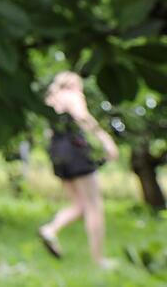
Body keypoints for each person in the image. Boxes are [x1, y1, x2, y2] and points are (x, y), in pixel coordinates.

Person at [38, 71, 119, 266]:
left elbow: (49, 133)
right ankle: (99, 260)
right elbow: (82, 117)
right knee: (94, 206)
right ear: (74, 84)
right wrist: (106, 141)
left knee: (79, 205)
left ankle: (50, 230)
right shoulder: (72, 95)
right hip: (74, 150)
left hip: (57, 152)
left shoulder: (51, 100)